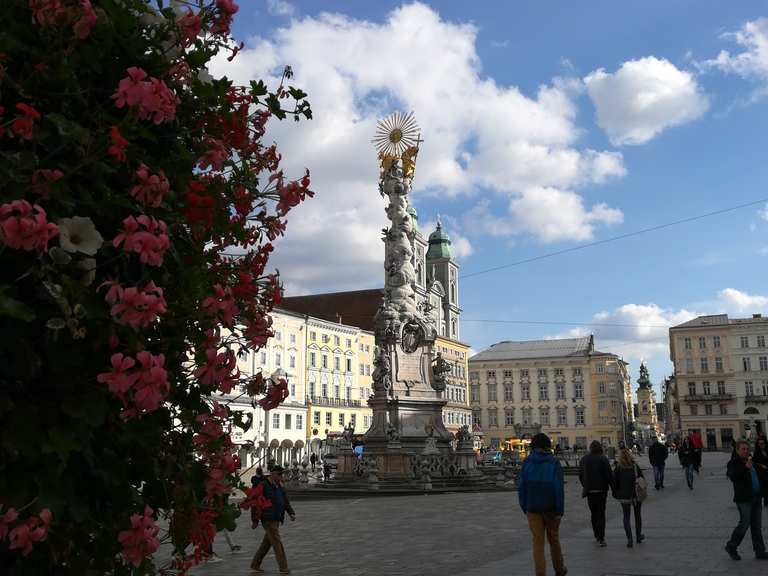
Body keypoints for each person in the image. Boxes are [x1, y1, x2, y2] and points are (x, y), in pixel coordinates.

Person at [517, 432, 567, 576]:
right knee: (554, 540)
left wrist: (524, 506)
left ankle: (540, 573)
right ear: (547, 446)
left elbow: (521, 486)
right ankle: (559, 569)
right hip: (551, 508)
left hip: (532, 508)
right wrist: (560, 510)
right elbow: (558, 487)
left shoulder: (527, 462)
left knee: (537, 543)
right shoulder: (554, 462)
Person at [725, 440, 768, 561]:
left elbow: (761, 476)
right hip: (744, 499)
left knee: (756, 526)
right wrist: (745, 468)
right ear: (737, 450)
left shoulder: (752, 462)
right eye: (743, 449)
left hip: (756, 497)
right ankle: (731, 546)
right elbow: (733, 476)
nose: (745, 451)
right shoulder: (733, 463)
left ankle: (759, 551)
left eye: (747, 449)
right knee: (744, 523)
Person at [250, 465, 296, 574]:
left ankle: (255, 564)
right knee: (277, 542)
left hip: (277, 517)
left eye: (282, 474)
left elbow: (285, 501)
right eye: (279, 474)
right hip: (268, 518)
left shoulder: (280, 485)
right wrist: (255, 520)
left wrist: (291, 513)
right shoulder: (264, 485)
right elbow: (254, 502)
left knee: (267, 543)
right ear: (272, 474)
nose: (281, 476)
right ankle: (283, 567)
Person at [579, 440, 614, 547]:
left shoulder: (584, 459)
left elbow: (580, 475)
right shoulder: (603, 458)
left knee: (593, 513)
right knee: (601, 513)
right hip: (601, 490)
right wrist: (614, 487)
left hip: (590, 491)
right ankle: (601, 537)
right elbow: (609, 475)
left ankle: (596, 534)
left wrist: (585, 485)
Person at [612, 448, 645, 548]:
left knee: (626, 517)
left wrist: (615, 493)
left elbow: (614, 483)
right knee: (637, 515)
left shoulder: (618, 468)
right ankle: (638, 536)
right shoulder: (635, 466)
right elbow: (641, 478)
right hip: (636, 494)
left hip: (624, 496)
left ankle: (629, 539)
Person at [753, 435, 768, 508]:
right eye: (759, 444)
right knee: (764, 489)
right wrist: (761, 465)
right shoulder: (756, 453)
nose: (761, 445)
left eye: (763, 443)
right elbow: (754, 463)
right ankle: (766, 502)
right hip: (761, 474)